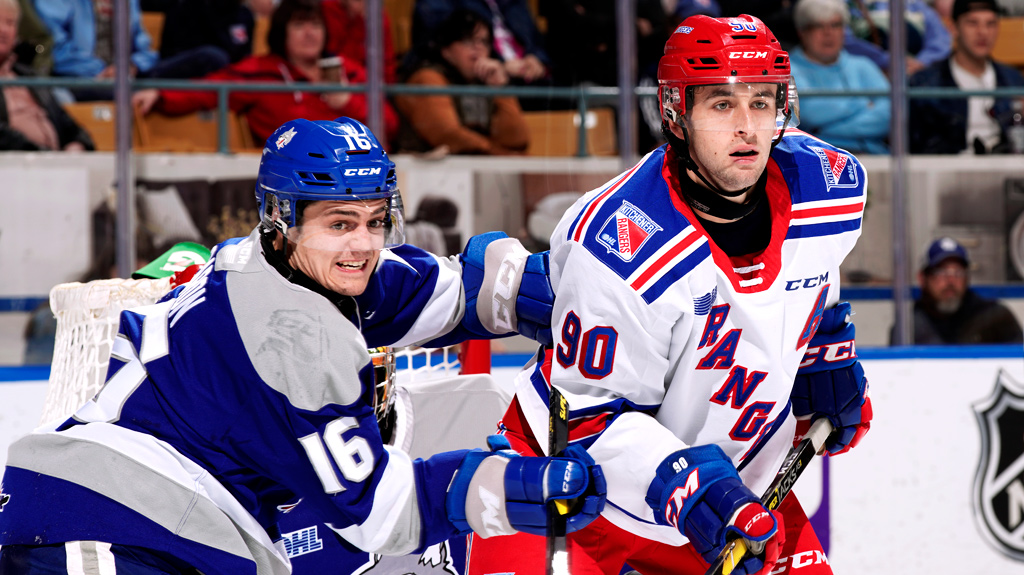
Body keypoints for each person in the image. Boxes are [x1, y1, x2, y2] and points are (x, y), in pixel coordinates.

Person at [0, 116, 607, 574]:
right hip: (105, 531)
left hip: (115, 516)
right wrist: (509, 487)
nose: (363, 245)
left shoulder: (269, 260)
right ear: (282, 217)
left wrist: (578, 291)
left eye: (375, 220)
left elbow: (449, 291)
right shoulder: (295, 336)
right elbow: (380, 515)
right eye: (340, 223)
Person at [467, 14, 872, 575]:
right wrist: (692, 490)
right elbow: (588, 417)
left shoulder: (829, 188)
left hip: (734, 487)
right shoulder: (620, 245)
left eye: (762, 102)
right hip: (578, 495)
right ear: (675, 112)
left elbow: (815, 275)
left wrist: (826, 350)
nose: (747, 128)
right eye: (722, 105)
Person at [131, 0, 399, 146]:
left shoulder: (348, 72)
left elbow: (389, 124)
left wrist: (347, 102)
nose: (310, 33)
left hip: (357, 173)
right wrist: (161, 93)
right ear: (282, 32)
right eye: (299, 25)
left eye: (315, 25)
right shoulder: (262, 73)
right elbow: (211, 89)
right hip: (297, 180)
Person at [33, 0, 232, 101]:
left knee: (211, 58)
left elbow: (145, 48)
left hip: (129, 75)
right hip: (83, 78)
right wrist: (100, 70)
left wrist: (133, 65)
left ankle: (154, 93)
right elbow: (53, 47)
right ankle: (156, 95)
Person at [393, 9, 528, 155]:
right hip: (423, 168)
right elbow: (447, 135)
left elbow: (517, 140)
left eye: (484, 41)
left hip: (472, 166)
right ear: (446, 50)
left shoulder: (486, 80)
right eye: (468, 40)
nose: (478, 47)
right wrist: (501, 154)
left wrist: (501, 88)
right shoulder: (427, 77)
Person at [909, 0, 1024, 155]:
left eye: (990, 24)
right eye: (972, 23)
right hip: (946, 172)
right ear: (953, 28)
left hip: (1004, 170)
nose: (983, 32)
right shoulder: (924, 84)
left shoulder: (1013, 80)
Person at [789, 0, 891, 154]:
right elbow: (809, 114)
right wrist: (864, 103)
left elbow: (890, 115)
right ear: (802, 32)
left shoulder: (864, 65)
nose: (828, 33)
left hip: (873, 155)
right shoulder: (787, 69)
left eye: (835, 25)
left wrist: (821, 130)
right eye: (818, 25)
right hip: (814, 157)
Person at [0, 0, 92, 151]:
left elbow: (71, 127)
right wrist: (43, 155)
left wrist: (78, 145)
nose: (3, 30)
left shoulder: (29, 77)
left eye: (10, 23)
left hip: (57, 166)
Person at [899, 236, 1024, 345]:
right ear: (922, 279)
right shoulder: (908, 328)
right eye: (941, 272)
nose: (951, 280)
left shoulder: (995, 317)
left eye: (958, 272)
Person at [411, 0, 549, 87]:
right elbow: (443, 40)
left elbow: (536, 39)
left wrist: (536, 59)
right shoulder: (441, 5)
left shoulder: (512, 3)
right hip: (481, 78)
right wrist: (501, 65)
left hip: (530, 78)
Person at [842, 0, 951, 75]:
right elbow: (844, 39)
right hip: (864, 75)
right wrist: (887, 60)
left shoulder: (916, 4)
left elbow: (941, 41)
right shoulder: (846, 4)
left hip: (917, 76)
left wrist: (922, 62)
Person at [321, 0, 398, 84]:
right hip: (335, 82)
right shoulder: (327, 9)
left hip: (371, 86)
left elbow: (387, 63)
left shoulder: (378, 15)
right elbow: (330, 57)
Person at [158, 0, 256, 66]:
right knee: (212, 57)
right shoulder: (187, 7)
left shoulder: (244, 15)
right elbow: (174, 55)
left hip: (227, 79)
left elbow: (244, 57)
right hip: (182, 77)